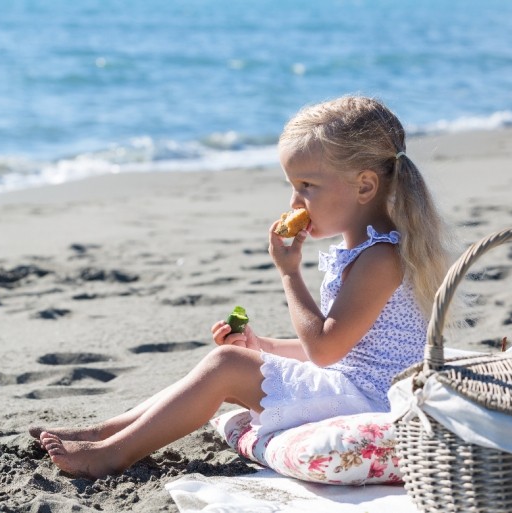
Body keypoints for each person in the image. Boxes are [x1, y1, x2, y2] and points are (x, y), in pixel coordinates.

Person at [30, 95, 452, 479]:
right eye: (293, 186)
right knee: (232, 357)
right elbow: (342, 347)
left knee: (227, 367)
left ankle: (112, 453)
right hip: (355, 384)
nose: (294, 203)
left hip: (372, 401)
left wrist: (290, 273)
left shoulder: (380, 257)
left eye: (307, 186)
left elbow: (325, 350)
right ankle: (105, 431)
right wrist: (261, 344)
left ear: (364, 186)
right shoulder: (365, 248)